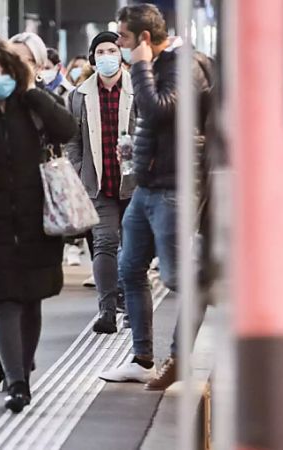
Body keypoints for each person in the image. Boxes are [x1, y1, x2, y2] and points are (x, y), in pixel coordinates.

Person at [0, 41, 76, 413]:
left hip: (36, 222)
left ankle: (21, 366)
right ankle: (17, 383)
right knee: (2, 300)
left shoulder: (31, 106)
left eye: (5, 72)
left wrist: (35, 95)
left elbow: (66, 129)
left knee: (30, 300)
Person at [99, 4, 213, 390]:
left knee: (180, 277)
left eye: (126, 39)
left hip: (174, 188)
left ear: (145, 39)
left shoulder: (184, 66)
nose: (121, 47)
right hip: (148, 185)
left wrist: (142, 66)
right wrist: (136, 150)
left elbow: (158, 108)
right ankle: (142, 358)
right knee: (129, 269)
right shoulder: (159, 67)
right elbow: (158, 125)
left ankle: (182, 356)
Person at [66, 31, 136, 335]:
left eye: (113, 50)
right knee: (105, 244)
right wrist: (78, 172)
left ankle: (134, 308)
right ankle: (107, 310)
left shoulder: (139, 90)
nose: (107, 56)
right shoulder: (79, 95)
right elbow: (73, 141)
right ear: (93, 58)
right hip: (99, 183)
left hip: (134, 182)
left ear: (121, 55)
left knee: (133, 249)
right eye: (101, 52)